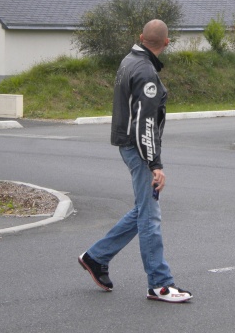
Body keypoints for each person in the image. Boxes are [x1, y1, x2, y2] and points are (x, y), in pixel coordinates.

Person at [78, 19, 193, 303]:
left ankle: (95, 257)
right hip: (138, 148)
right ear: (166, 43)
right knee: (150, 216)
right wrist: (155, 164)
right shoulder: (146, 72)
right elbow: (144, 124)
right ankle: (160, 284)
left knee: (143, 209)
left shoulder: (129, 60)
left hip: (127, 145)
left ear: (141, 37)